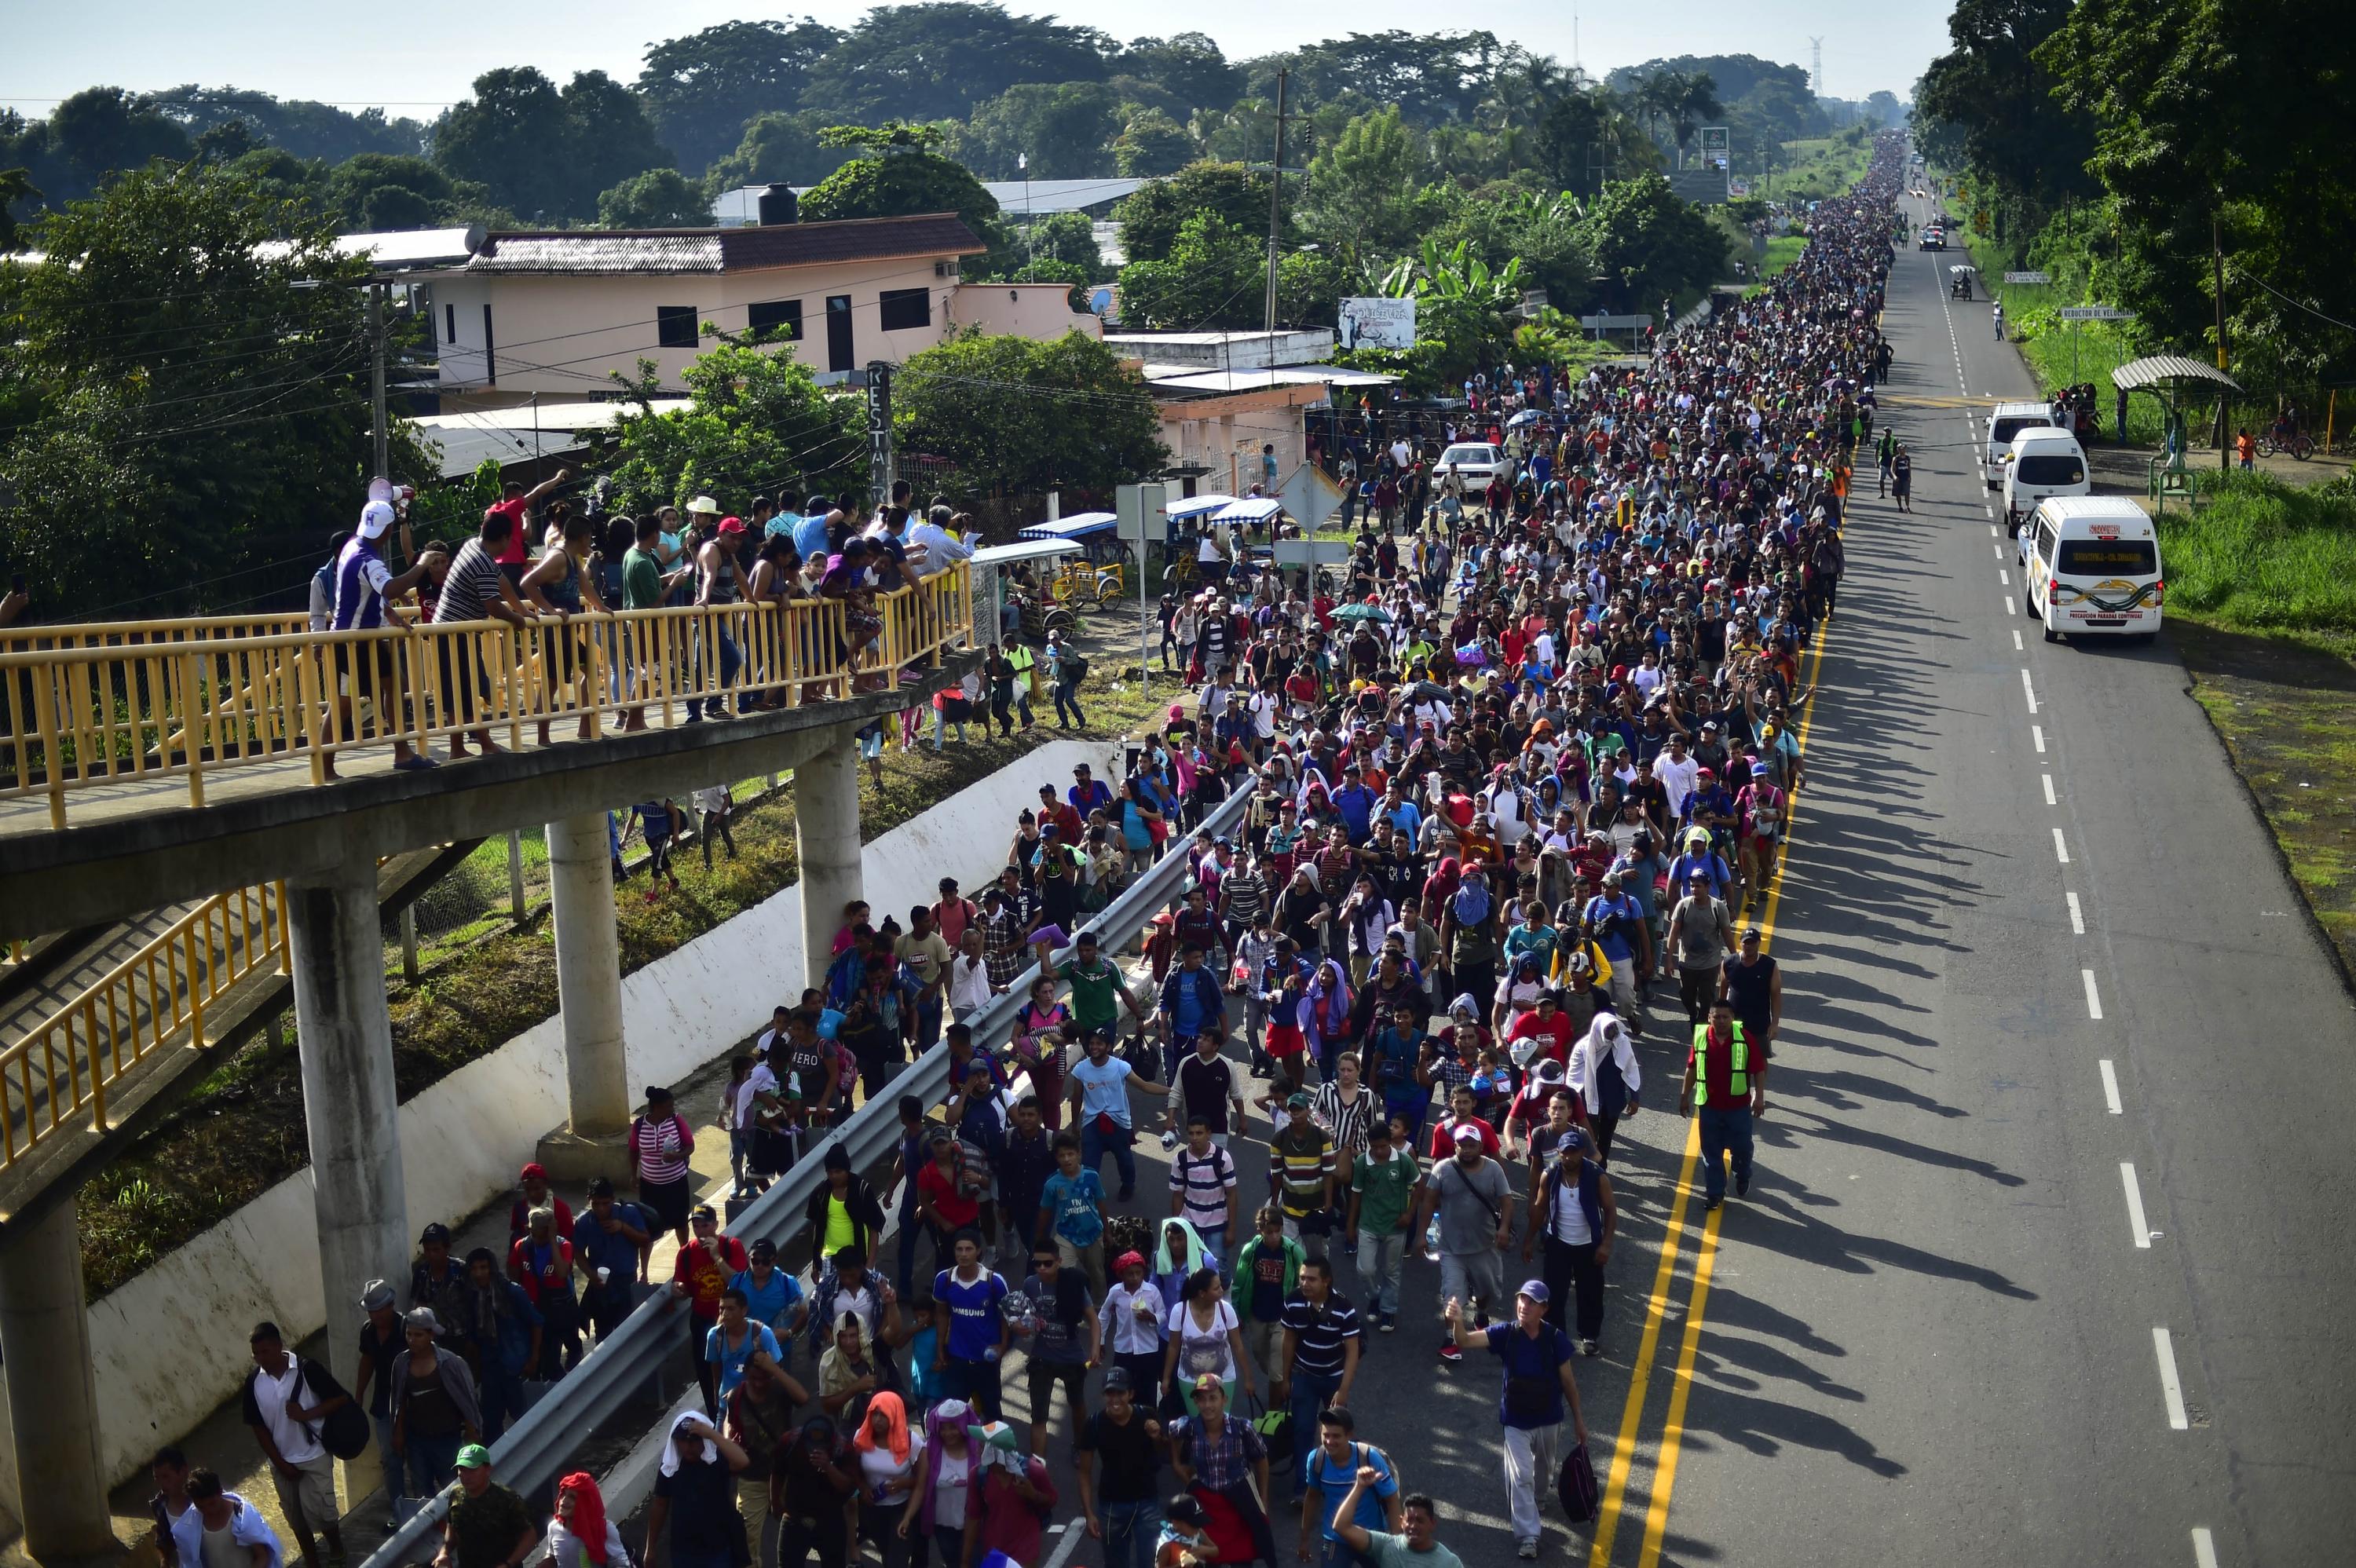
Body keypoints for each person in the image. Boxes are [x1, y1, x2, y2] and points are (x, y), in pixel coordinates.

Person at [1447, 1283, 1588, 1560]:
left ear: (1544, 1309)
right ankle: (1528, 1536)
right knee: (1521, 1476)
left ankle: (1538, 1498)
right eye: (1521, 1300)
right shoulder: (1506, 1333)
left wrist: (1579, 1422)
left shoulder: (1555, 1339)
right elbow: (1464, 1341)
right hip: (1515, 1421)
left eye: (1532, 1302)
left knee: (1543, 1472)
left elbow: (1569, 1383)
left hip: (1549, 1419)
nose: (1524, 1306)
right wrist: (1456, 1321)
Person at [240, 1321, 351, 1568]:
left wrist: (307, 1415)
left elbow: (340, 1398)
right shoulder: (253, 1382)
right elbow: (258, 1427)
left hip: (314, 1454)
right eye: (255, 1354)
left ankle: (336, 1547)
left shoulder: (307, 1369)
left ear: (279, 1346)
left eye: (265, 1352)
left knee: (323, 1511)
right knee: (294, 1517)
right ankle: (311, 1560)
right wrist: (280, 1463)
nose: (260, 1358)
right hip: (281, 1460)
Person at [1414, 1127, 1513, 1365]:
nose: (1466, 1150)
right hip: (1451, 1249)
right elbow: (1428, 1202)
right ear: (1455, 1146)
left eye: (1472, 1145)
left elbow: (1507, 1202)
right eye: (1462, 1145)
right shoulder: (1443, 1169)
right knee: (1452, 1296)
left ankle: (1481, 1313)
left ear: (1481, 1147)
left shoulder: (1493, 1169)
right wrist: (1421, 1235)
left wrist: (1503, 1228)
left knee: (1487, 1292)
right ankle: (1451, 1339)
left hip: (1484, 1246)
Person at [1275, 1255, 1363, 1504]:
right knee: (1303, 1432)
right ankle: (1303, 1489)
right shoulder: (1293, 1302)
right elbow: (1289, 1340)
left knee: (1339, 1434)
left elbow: (1352, 1351)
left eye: (1311, 1279)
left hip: (1334, 1379)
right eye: (1302, 1278)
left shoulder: (1344, 1308)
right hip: (1304, 1376)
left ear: (1326, 1282)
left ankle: (1347, 1484)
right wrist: (1286, 1378)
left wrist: (1343, 1390)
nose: (1305, 1283)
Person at [1525, 1124, 1616, 1354]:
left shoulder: (1597, 1176)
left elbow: (1610, 1210)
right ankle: (1557, 1338)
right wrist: (1528, 1240)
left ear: (1583, 1152)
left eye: (1574, 1151)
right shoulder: (1551, 1174)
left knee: (1591, 1294)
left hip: (1589, 1245)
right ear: (1559, 1152)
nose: (1569, 1156)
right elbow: (1540, 1208)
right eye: (1565, 1151)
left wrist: (1605, 1244)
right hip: (1559, 1244)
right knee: (1554, 1295)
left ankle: (1590, 1336)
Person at [1167, 1377, 1277, 1568]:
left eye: (1213, 1398)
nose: (1207, 1405)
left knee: (1250, 1546)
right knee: (1204, 1555)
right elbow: (1173, 1432)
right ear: (1196, 1402)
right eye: (1202, 1399)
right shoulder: (1189, 1427)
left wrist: (1263, 1496)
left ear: (1224, 1400)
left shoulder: (1243, 1428)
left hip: (1238, 1496)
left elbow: (1261, 1459)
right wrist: (1176, 1462)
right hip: (1206, 1500)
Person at [1013, 1245, 1101, 1456]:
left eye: (1048, 1263)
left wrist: (1095, 1348)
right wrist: (1020, 1327)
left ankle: (1080, 1446)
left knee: (1077, 1404)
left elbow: (1093, 1319)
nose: (1042, 1268)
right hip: (1042, 1359)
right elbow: (1020, 1319)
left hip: (1072, 1357)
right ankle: (1038, 1467)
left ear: (1059, 1262)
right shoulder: (1030, 1285)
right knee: (1039, 1416)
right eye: (1037, 1264)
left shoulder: (1074, 1283)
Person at [390, 1307, 485, 1497]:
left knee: (455, 1490)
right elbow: (399, 1400)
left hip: (447, 1437)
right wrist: (398, 1433)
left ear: (431, 1335)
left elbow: (467, 1400)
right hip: (417, 1438)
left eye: (419, 1335)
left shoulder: (451, 1363)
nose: (412, 1340)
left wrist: (472, 1431)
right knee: (421, 1492)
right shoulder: (401, 1363)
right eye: (409, 1334)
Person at [1681, 999, 1766, 1210]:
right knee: (1711, 1153)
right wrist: (1684, 1096)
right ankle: (1715, 1194)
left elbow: (1758, 1069)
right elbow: (1691, 1069)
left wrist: (1760, 1097)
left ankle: (1742, 1173)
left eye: (1725, 1017)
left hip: (1738, 1109)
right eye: (1716, 1016)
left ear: (1733, 1018)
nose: (1720, 1021)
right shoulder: (1701, 1038)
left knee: (1743, 1149)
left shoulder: (1745, 1039)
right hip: (1709, 1108)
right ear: (1709, 1017)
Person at [1077, 1365, 1165, 1568]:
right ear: (1103, 1395)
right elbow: (1084, 1472)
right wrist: (1089, 1513)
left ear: (1131, 1394)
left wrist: (1157, 1437)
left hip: (1147, 1502)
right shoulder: (1094, 1424)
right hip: (1111, 1506)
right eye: (1110, 1393)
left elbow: (1163, 1453)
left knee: (1151, 1563)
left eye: (1120, 1393)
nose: (1115, 1399)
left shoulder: (1147, 1416)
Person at [1346, 1115, 1422, 1332]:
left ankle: (1388, 1310)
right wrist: (1351, 1225)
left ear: (1390, 1142)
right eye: (1374, 1147)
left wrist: (1409, 1214)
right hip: (1369, 1225)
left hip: (1395, 1227)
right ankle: (1374, 1296)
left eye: (1383, 1146)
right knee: (1365, 1270)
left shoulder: (1403, 1161)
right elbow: (1356, 1195)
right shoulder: (1362, 1163)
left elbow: (1419, 1186)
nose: (1379, 1151)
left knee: (1392, 1271)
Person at [1300, 1408, 1403, 1568]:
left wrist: (1397, 1543)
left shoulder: (1368, 1458)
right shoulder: (1316, 1460)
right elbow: (1312, 1496)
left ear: (1349, 1435)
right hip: (1336, 1538)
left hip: (1371, 1537)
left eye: (1336, 1436)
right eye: (1326, 1435)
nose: (1329, 1441)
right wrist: (1304, 1539)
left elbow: (1392, 1498)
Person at [647, 1413, 752, 1568]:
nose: (689, 1446)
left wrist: (711, 1433)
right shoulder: (671, 1467)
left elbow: (742, 1461)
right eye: (683, 1441)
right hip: (684, 1553)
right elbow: (660, 1505)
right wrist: (650, 1548)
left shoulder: (716, 1460)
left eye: (694, 1440)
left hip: (718, 1550)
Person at [1326, 1476, 1464, 1568]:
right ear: (1401, 1522)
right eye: (1409, 1520)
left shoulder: (1449, 1562)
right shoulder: (1385, 1545)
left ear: (1432, 1524)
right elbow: (1341, 1527)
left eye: (1420, 1521)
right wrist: (1359, 1487)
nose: (1413, 1526)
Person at [434, 1446, 536, 1568]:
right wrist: (444, 1553)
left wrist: (508, 1564)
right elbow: (451, 1531)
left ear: (488, 1469)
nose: (466, 1476)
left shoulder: (507, 1498)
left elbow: (530, 1536)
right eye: (462, 1469)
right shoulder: (456, 1494)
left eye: (472, 1470)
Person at [181, 1468, 286, 1568]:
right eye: (201, 1507)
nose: (208, 1511)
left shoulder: (242, 1517)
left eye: (211, 1504)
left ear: (220, 1492)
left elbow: (262, 1556)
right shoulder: (193, 1524)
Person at [545, 1472, 630, 1568]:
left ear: (585, 1504)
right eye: (563, 1493)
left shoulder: (604, 1529)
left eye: (572, 1497)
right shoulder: (553, 1528)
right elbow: (552, 1555)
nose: (564, 1500)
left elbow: (621, 1564)